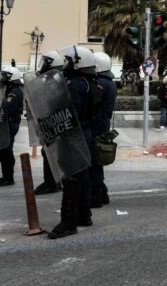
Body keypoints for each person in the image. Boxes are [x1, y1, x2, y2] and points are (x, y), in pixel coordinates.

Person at [48, 46, 100, 238]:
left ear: (79, 63)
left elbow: (69, 110)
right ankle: (83, 214)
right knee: (82, 174)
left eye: (69, 60)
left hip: (73, 133)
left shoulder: (76, 84)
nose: (66, 64)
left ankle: (68, 223)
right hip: (83, 132)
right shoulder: (89, 82)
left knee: (71, 176)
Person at [34, 51, 65, 195]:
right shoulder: (53, 78)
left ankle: (52, 183)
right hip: (51, 120)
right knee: (49, 152)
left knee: (50, 152)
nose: (43, 65)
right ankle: (54, 182)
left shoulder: (56, 79)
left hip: (56, 120)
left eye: (45, 62)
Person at [92, 52, 117, 207]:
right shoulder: (109, 82)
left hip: (97, 125)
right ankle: (101, 192)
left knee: (93, 161)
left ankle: (96, 195)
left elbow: (93, 102)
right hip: (102, 124)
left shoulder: (101, 84)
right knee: (96, 161)